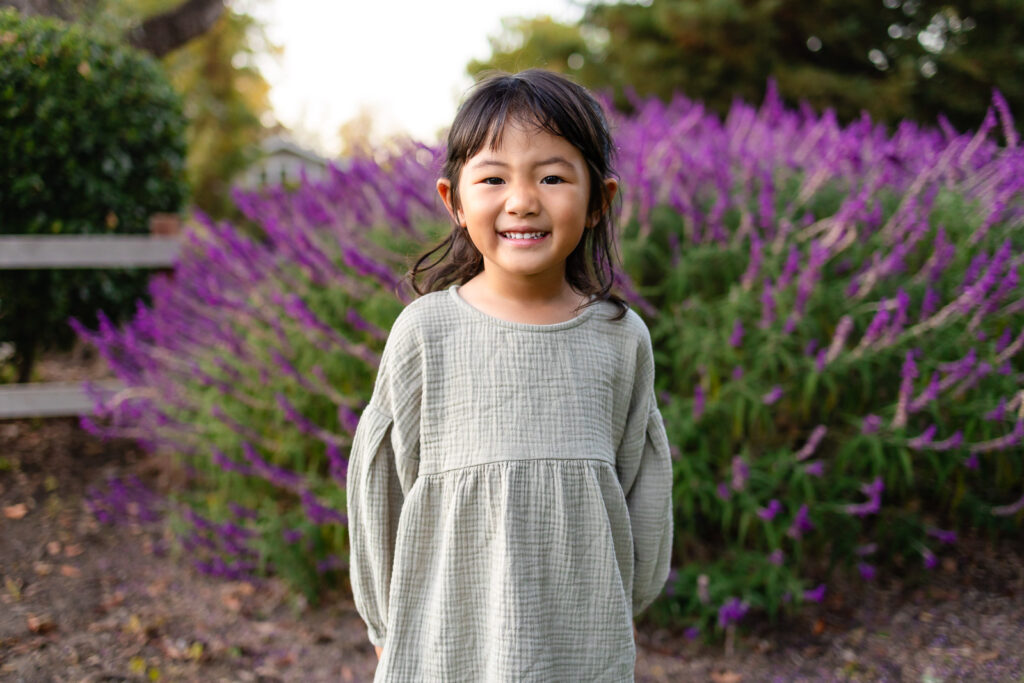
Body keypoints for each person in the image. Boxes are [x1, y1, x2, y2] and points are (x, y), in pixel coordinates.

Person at [346, 68, 673, 682]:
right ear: (456, 201)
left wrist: (620, 610)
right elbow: (380, 488)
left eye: (552, 176)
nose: (523, 200)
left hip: (582, 644)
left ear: (599, 200)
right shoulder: (425, 333)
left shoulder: (619, 338)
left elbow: (644, 486)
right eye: (494, 178)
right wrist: (386, 628)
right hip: (448, 642)